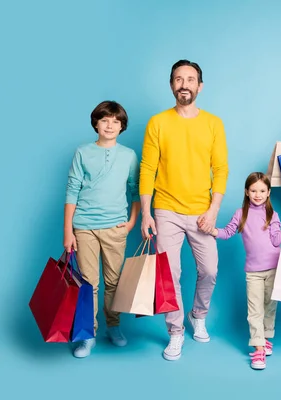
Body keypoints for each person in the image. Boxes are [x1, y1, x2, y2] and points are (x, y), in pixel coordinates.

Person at [138, 59, 229, 361]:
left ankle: (198, 315)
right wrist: (147, 213)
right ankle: (175, 332)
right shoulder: (158, 122)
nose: (185, 84)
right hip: (165, 210)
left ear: (200, 86)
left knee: (210, 270)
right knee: (170, 273)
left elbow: (221, 168)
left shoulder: (213, 123)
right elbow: (148, 167)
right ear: (171, 85)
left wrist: (214, 210)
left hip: (202, 211)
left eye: (191, 79)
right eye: (179, 79)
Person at [63, 100, 140, 358]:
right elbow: (72, 190)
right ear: (96, 123)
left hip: (115, 227)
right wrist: (68, 231)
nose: (110, 125)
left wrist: (131, 222)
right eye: (105, 120)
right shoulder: (83, 152)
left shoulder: (129, 155)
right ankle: (87, 334)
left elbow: (134, 190)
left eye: (115, 121)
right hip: (83, 226)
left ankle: (114, 326)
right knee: (88, 283)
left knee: (113, 281)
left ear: (121, 126)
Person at [210, 172, 281, 370]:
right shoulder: (240, 214)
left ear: (268, 193)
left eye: (262, 191)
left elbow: (276, 240)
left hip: (274, 269)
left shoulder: (272, 214)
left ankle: (266, 338)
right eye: (253, 190)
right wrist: (212, 231)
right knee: (255, 311)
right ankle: (258, 349)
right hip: (252, 272)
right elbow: (227, 233)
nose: (258, 194)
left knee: (269, 307)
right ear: (246, 191)